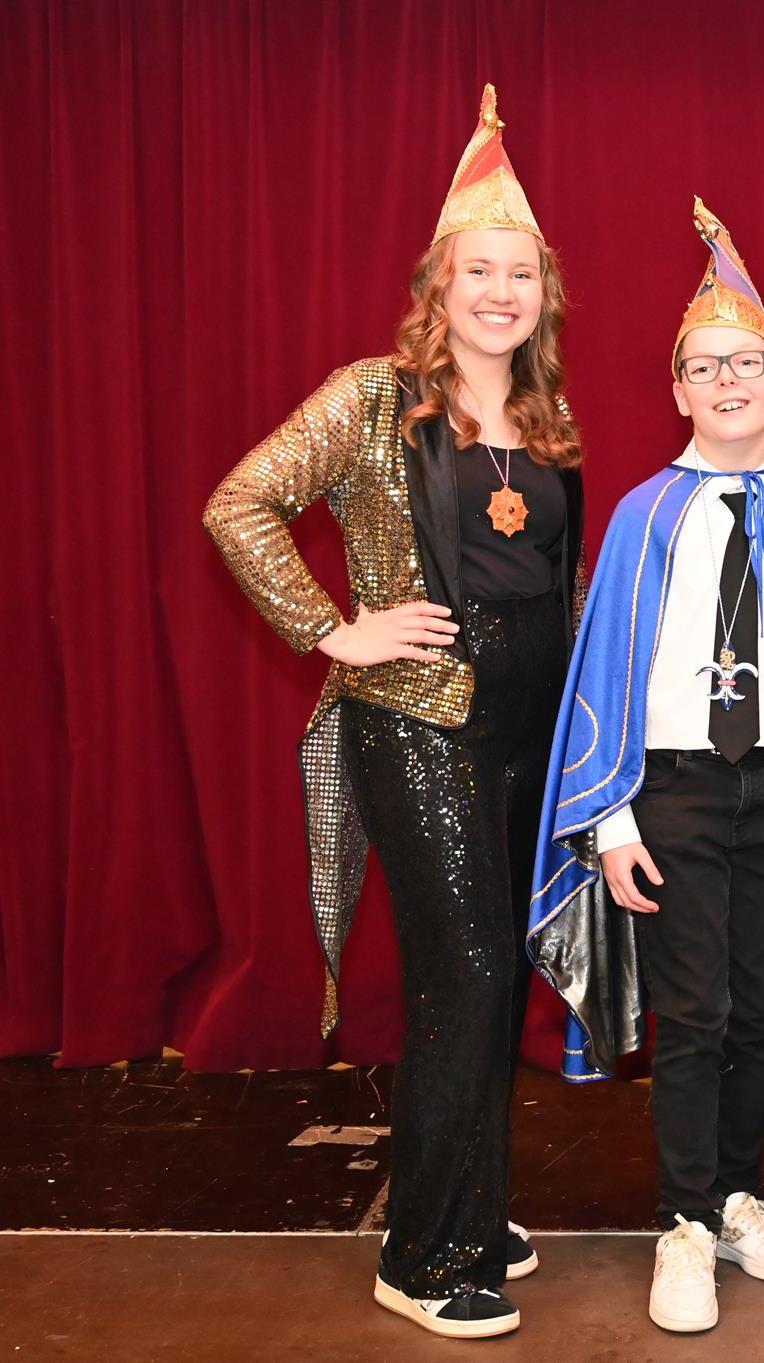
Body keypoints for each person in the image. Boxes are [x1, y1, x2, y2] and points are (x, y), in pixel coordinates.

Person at [202, 85, 584, 1340]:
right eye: (479, 271)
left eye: (520, 274)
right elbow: (239, 502)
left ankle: (471, 1200)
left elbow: (557, 578)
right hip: (418, 722)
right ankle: (421, 1255)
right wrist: (332, 627)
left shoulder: (546, 419)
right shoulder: (374, 395)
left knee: (495, 971)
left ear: (544, 294)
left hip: (526, 726)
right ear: (440, 283)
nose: (500, 293)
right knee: (461, 974)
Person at [524, 199, 764, 1334]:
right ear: (676, 391)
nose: (726, 381)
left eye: (746, 363)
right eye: (703, 366)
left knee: (762, 1000)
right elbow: (608, 668)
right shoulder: (646, 514)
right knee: (697, 1006)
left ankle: (735, 1196)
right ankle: (681, 1218)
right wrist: (614, 818)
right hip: (673, 784)